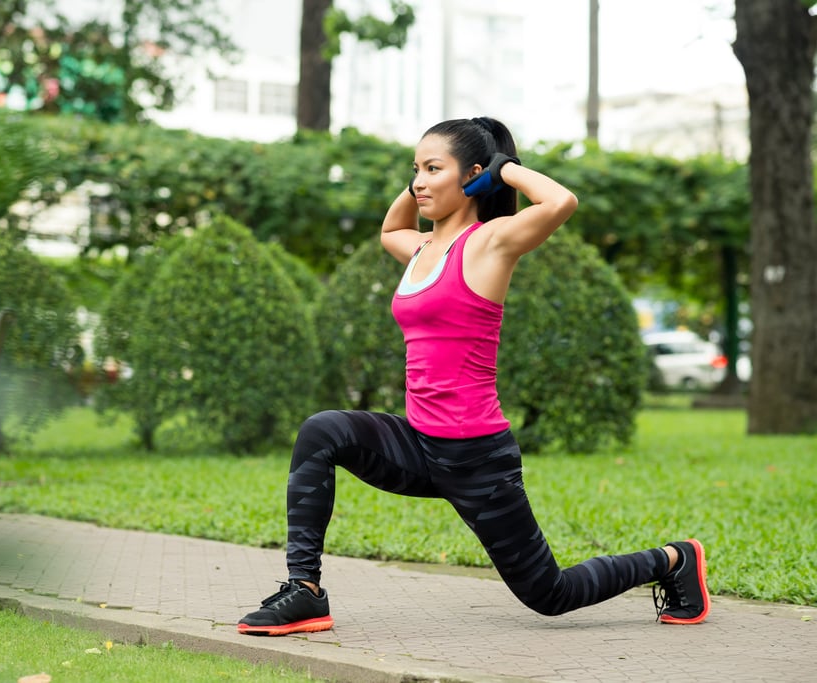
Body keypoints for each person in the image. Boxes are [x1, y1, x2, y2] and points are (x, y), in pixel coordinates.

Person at [237, 116, 710, 636]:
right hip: (418, 444)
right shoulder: (419, 250)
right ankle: (304, 592)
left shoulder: (490, 243)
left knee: (551, 595)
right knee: (322, 429)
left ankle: (673, 560)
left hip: (476, 455)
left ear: (475, 175)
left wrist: (502, 172)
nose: (418, 181)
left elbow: (560, 203)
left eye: (433, 168)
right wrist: (427, 178)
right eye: (414, 169)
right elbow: (389, 230)